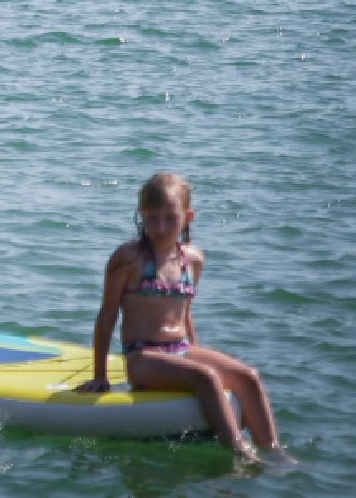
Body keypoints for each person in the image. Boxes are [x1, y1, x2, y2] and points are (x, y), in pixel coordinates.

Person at [77, 172, 287, 461]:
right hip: (143, 358)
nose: (161, 227)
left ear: (188, 216)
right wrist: (100, 375)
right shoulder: (128, 258)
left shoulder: (193, 260)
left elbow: (185, 313)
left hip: (180, 350)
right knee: (206, 376)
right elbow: (107, 315)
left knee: (249, 377)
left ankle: (275, 453)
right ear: (141, 215)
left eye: (170, 218)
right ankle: (239, 451)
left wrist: (195, 352)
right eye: (152, 218)